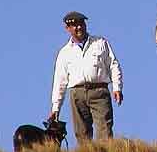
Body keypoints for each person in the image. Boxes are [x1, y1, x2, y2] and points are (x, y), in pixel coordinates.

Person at [49, 11, 124, 144]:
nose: (78, 28)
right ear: (68, 29)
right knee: (82, 134)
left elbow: (113, 64)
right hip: (77, 94)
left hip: (99, 91)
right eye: (74, 25)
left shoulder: (100, 42)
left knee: (104, 131)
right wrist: (56, 109)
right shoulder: (64, 53)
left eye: (81, 24)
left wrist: (117, 87)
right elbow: (59, 82)